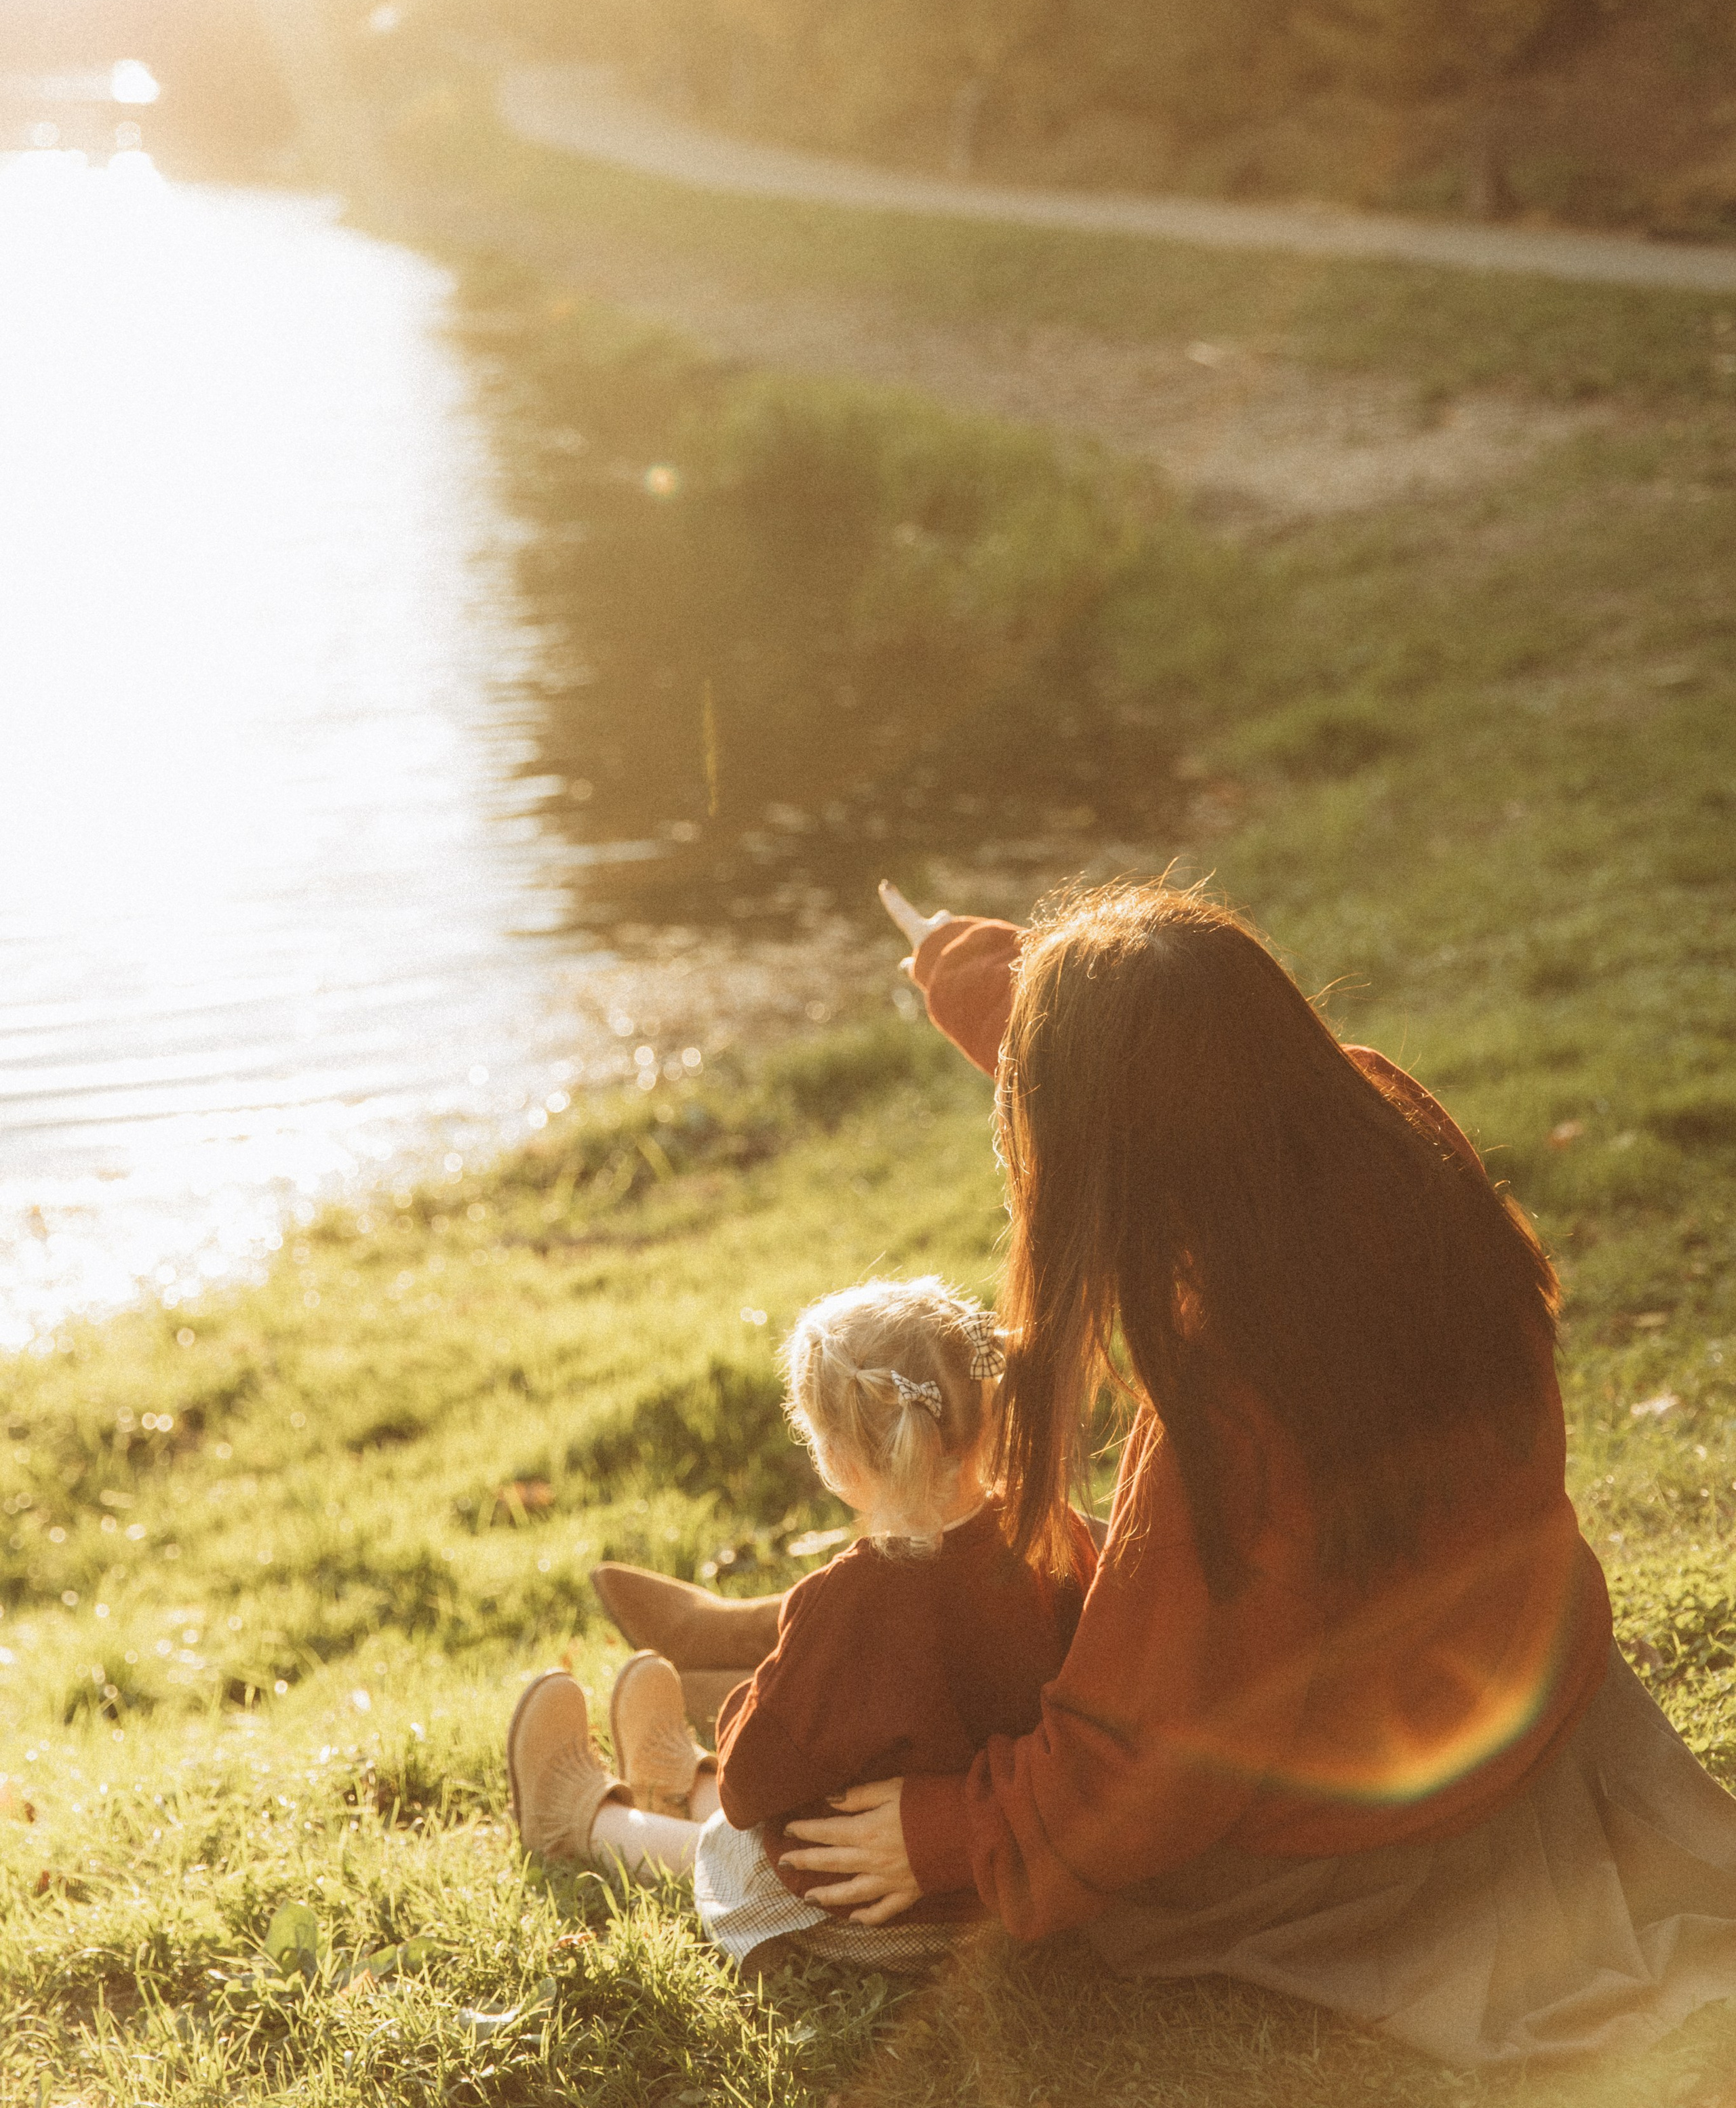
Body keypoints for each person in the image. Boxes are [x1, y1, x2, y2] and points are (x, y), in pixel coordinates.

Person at [594, 878, 1736, 2069]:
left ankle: (628, 1810)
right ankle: (791, 1626)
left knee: (840, 1830)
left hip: (1368, 1831)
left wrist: (947, 1833)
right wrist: (965, 964)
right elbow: (1150, 1048)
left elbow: (1141, 1768)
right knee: (1042, 1562)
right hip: (1519, 1682)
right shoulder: (1375, 1119)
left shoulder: (1234, 1407)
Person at [507, 1272, 1096, 1977]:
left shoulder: (845, 1598)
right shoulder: (1055, 1531)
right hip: (1014, 1880)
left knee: (741, 1849)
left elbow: (753, 1780)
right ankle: (676, 1778)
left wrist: (742, 1715)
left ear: (838, 1462)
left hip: (886, 1913)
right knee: (772, 1823)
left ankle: (579, 1819)